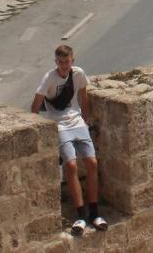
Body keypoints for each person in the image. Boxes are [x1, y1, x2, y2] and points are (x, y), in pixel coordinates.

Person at [32, 44, 107, 234]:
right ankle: (81, 215)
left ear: (72, 60)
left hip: (78, 123)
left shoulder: (78, 74)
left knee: (92, 162)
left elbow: (83, 95)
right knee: (71, 165)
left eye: (67, 61)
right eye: (60, 62)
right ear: (56, 62)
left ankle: (94, 213)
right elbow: (35, 105)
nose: (64, 65)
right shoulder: (49, 78)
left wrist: (85, 118)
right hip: (60, 126)